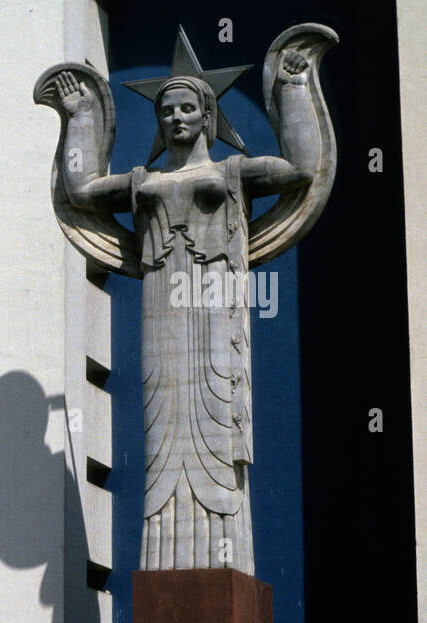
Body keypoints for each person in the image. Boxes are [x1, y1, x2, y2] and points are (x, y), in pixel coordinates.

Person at [49, 51, 321, 573]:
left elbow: (304, 170)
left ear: (207, 117)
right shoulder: (140, 183)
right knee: (162, 420)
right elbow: (80, 191)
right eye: (166, 111)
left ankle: (225, 554)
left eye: (186, 110)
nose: (175, 118)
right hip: (161, 315)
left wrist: (293, 87)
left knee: (219, 408)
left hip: (216, 306)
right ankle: (166, 556)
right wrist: (80, 115)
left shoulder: (233, 171)